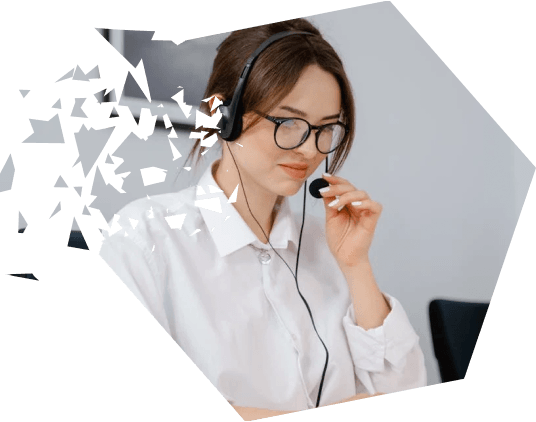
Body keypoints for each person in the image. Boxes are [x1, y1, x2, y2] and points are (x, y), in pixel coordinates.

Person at [99, 17, 427, 418]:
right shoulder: (145, 237)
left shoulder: (329, 246)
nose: (310, 150)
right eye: (288, 123)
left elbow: (407, 388)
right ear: (222, 114)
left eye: (326, 128)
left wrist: (357, 266)